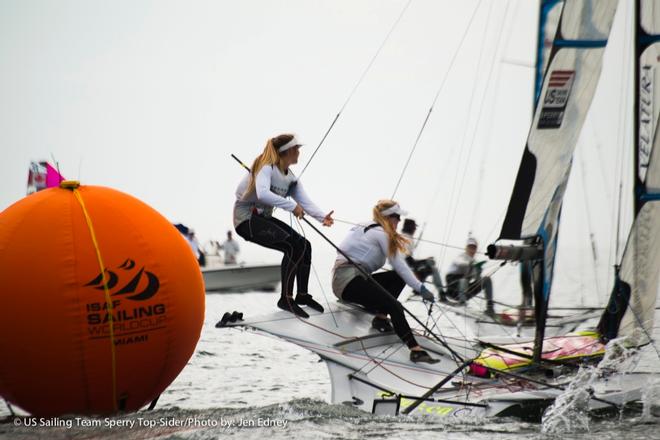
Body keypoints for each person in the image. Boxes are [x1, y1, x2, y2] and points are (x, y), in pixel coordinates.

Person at [233, 133, 334, 318]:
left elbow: (305, 201)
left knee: (305, 245)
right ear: (287, 151)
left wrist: (322, 217)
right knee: (291, 245)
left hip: (263, 219)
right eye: (297, 149)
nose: (299, 152)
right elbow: (263, 194)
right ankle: (286, 299)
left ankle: (302, 296)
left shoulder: (290, 178)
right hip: (246, 219)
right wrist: (292, 206)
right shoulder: (266, 168)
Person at [331, 200, 438, 364]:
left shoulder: (368, 227)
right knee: (394, 305)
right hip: (348, 283)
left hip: (351, 279)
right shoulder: (381, 234)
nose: (399, 221)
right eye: (397, 217)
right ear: (388, 217)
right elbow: (400, 265)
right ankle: (415, 350)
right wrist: (421, 288)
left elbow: (399, 270)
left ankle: (380, 318)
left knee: (397, 278)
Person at [444, 237, 494, 315]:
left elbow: (477, 280)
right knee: (464, 280)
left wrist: (478, 271)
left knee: (487, 279)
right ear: (466, 248)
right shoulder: (461, 257)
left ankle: (490, 307)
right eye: (470, 247)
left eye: (474, 248)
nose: (472, 250)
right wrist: (471, 264)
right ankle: (462, 304)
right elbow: (460, 262)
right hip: (452, 289)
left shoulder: (474, 262)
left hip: (465, 290)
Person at [400, 218, 444, 295]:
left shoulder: (406, 237)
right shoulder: (406, 238)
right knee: (431, 264)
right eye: (415, 228)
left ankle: (418, 289)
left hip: (407, 263)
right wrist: (415, 267)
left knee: (429, 266)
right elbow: (404, 257)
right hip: (406, 264)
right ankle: (442, 294)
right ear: (411, 228)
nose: (415, 230)